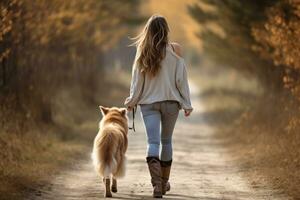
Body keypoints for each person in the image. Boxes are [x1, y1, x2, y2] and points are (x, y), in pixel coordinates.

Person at [124, 14, 193, 198]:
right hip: (171, 104)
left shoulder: (142, 52)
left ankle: (156, 185)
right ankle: (163, 184)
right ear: (166, 30)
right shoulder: (175, 50)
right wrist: (186, 103)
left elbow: (137, 83)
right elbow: (181, 80)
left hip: (149, 105)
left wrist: (131, 102)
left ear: (148, 31)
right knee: (167, 141)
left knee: (152, 142)